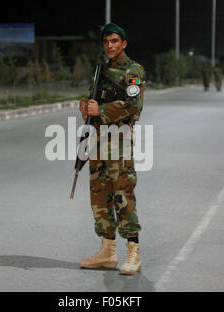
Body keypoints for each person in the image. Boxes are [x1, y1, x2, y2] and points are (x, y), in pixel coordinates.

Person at [78, 22, 145, 275]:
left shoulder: (133, 71)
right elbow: (91, 97)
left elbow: (134, 106)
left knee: (123, 195)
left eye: (115, 41)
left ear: (123, 43)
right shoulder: (100, 71)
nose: (110, 45)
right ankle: (107, 252)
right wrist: (84, 104)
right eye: (106, 41)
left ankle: (133, 252)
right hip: (97, 141)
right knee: (100, 195)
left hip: (119, 142)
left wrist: (102, 111)